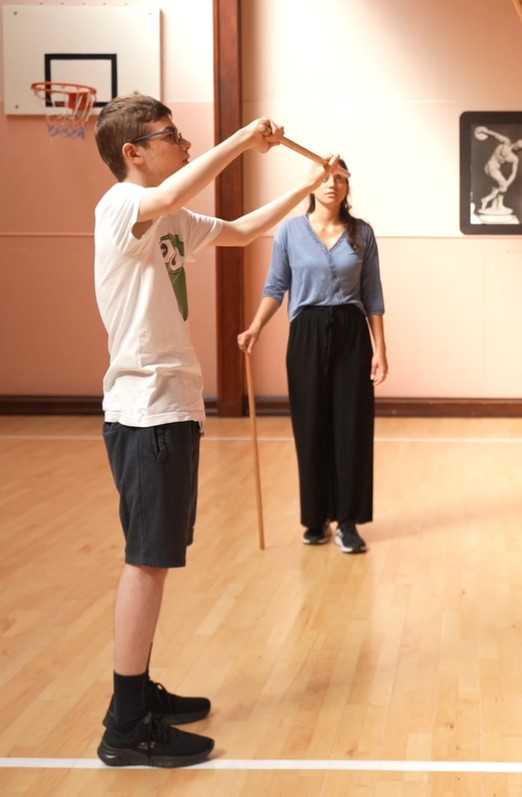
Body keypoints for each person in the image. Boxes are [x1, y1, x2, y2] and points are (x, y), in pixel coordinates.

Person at [93, 92, 341, 768]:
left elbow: (240, 228)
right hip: (144, 411)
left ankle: (140, 691)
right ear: (133, 152)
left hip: (171, 407)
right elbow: (181, 183)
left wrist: (305, 187)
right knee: (146, 562)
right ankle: (125, 722)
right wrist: (241, 139)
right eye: (168, 133)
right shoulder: (121, 206)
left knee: (158, 559)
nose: (182, 139)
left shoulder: (171, 216)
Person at [238, 158, 387, 555]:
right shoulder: (289, 232)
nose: (332, 184)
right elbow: (276, 287)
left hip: (352, 333)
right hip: (305, 333)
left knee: (351, 427)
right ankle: (316, 518)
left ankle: (349, 521)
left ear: (347, 187)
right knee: (311, 426)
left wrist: (380, 351)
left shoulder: (362, 234)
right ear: (310, 185)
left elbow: (373, 295)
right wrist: (255, 326)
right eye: (324, 177)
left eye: (339, 178)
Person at [475, 127, 522, 215]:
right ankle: (486, 199)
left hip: (489, 167)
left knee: (497, 186)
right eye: (519, 145)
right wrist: (483, 131)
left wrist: (484, 131)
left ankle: (496, 205)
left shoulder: (511, 151)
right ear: (518, 146)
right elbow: (494, 134)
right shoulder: (511, 152)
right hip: (492, 168)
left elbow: (494, 134)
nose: (518, 146)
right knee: (503, 185)